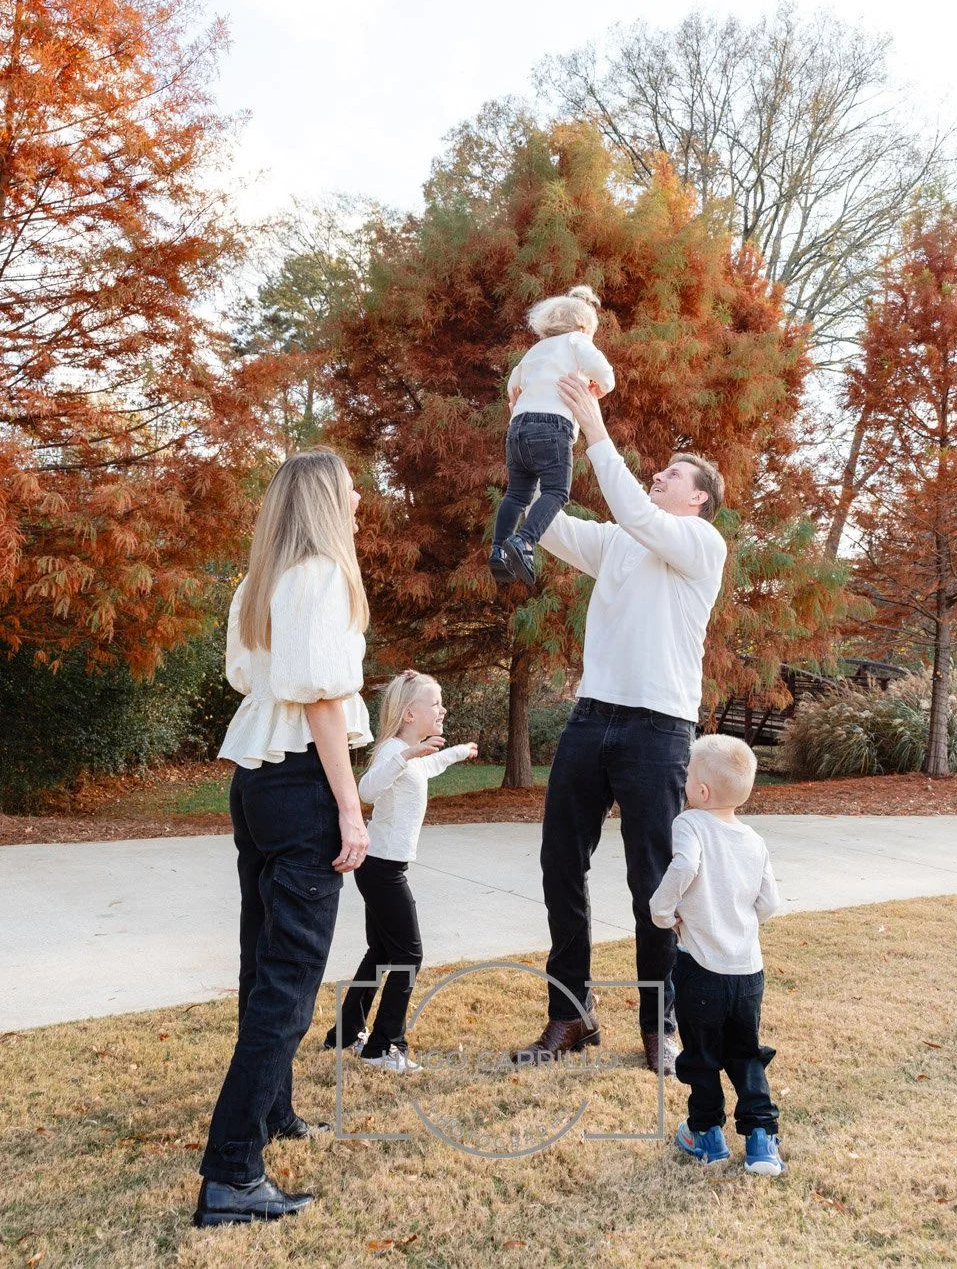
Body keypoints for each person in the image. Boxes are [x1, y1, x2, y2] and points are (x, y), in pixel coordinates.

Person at [511, 374, 727, 1075]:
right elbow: (544, 521)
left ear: (697, 498)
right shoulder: (619, 543)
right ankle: (570, 1014)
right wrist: (527, 431)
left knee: (652, 883)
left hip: (659, 728)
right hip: (592, 717)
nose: (658, 476)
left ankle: (658, 1026)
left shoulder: (700, 547)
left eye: (671, 474)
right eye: (657, 472)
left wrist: (597, 430)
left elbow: (636, 512)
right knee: (558, 866)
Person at [193, 447, 373, 1229]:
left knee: (262, 962)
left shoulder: (260, 580)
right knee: (290, 986)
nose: (361, 496)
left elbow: (249, 679)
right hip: (299, 780)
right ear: (328, 501)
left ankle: (273, 1112)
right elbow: (324, 703)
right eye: (352, 488)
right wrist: (351, 807)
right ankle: (232, 1174)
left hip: (255, 783)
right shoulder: (324, 577)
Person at [324, 670, 477, 1072]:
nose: (442, 708)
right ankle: (382, 1048)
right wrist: (408, 755)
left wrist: (458, 751)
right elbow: (366, 789)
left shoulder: (414, 753)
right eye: (436, 703)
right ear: (409, 714)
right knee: (409, 956)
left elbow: (429, 768)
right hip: (382, 870)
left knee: (382, 952)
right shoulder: (394, 750)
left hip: (384, 867)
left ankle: (343, 1034)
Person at [649, 735, 786, 1176]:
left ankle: (706, 1135)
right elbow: (770, 904)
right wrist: (738, 924)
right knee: (745, 1052)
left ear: (702, 792)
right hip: (748, 972)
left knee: (702, 1056)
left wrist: (661, 910)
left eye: (689, 776)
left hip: (700, 970)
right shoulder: (754, 839)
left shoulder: (690, 824)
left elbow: (685, 867)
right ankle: (762, 1140)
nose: (684, 782)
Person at [490, 285, 615, 589]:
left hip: (518, 426)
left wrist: (522, 399)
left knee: (516, 495)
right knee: (557, 491)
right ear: (585, 326)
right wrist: (602, 386)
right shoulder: (577, 341)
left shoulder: (535, 350)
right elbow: (604, 371)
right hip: (552, 426)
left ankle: (498, 550)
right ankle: (524, 542)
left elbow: (512, 384)